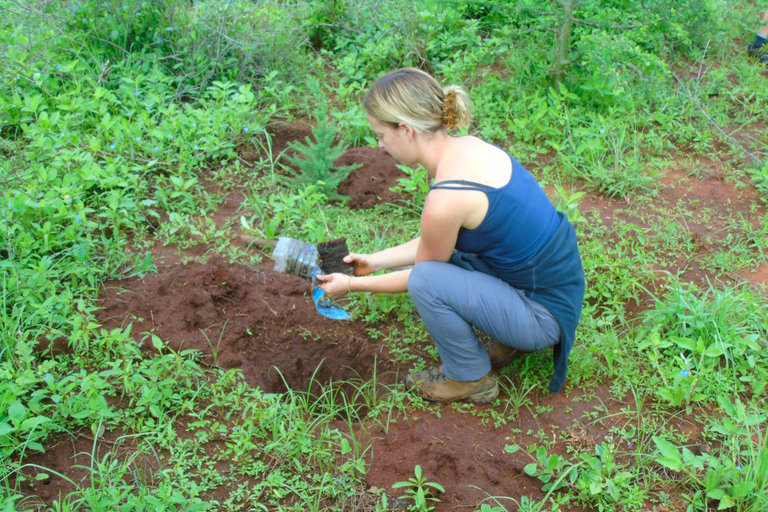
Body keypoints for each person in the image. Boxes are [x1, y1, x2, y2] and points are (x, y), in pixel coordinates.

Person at [317, 68, 585, 403]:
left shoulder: (446, 197)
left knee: (427, 281)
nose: (379, 144)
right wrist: (372, 262)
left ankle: (468, 377)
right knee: (447, 262)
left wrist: (352, 285)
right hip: (559, 291)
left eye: (380, 134)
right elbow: (436, 241)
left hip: (542, 317)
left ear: (406, 129)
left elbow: (425, 275)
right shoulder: (469, 149)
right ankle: (508, 336)